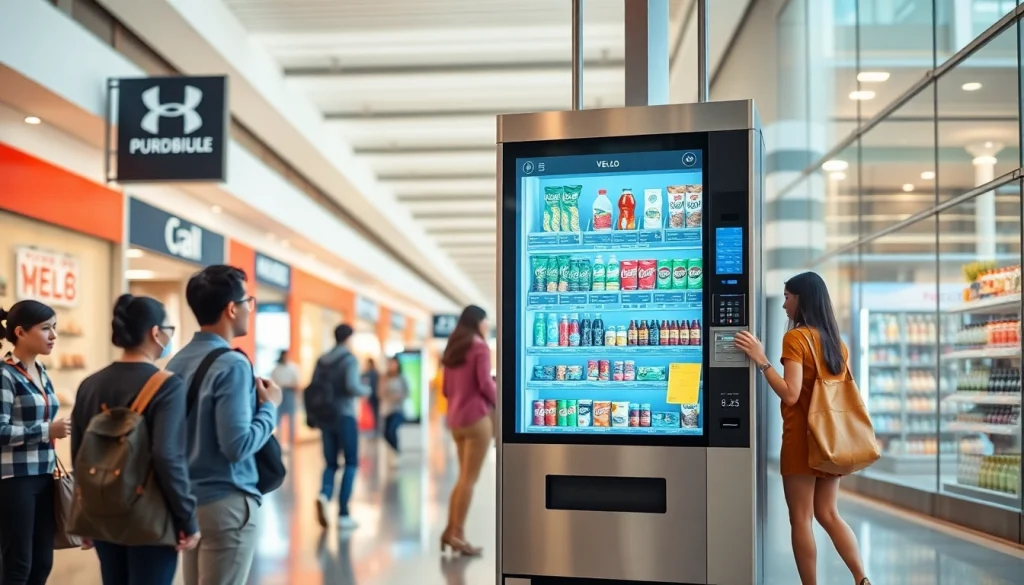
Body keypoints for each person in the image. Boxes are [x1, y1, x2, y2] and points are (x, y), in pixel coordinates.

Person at [734, 272, 870, 585]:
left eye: (787, 296)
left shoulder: (795, 339)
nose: (784, 304)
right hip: (831, 439)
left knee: (801, 518)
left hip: (802, 440)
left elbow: (791, 393)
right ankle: (862, 579)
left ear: (801, 299)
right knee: (829, 514)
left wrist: (761, 360)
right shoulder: (837, 343)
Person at [71, 294, 200, 585]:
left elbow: (80, 454)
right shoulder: (167, 386)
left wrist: (85, 514)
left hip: (102, 511)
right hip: (149, 516)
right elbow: (168, 456)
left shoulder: (89, 385)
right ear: (156, 332)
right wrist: (186, 518)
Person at [167, 265, 282, 585]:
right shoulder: (232, 364)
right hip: (227, 502)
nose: (250, 308)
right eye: (249, 301)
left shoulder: (176, 362)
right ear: (232, 309)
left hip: (188, 500)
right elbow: (237, 445)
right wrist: (270, 407)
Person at [0, 301, 67, 585]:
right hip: (15, 480)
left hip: (43, 475)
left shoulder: (41, 370)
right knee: (18, 565)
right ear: (21, 332)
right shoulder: (4, 374)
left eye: (55, 328)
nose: (53, 335)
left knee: (42, 562)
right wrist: (46, 429)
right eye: (46, 328)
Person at [439, 305, 495, 557]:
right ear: (478, 322)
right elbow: (485, 383)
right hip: (476, 420)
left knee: (462, 478)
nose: (486, 326)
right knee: (469, 479)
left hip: (456, 420)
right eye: (485, 322)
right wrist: (503, 403)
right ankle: (458, 534)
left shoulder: (453, 347)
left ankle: (450, 530)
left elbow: (446, 390)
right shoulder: (480, 346)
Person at [314, 324, 370, 531]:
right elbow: (352, 386)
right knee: (351, 462)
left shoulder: (322, 360)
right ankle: (343, 513)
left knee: (330, 463)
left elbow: (314, 387)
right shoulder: (349, 359)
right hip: (345, 415)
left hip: (325, 417)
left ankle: (324, 494)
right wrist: (367, 389)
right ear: (348, 338)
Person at [379, 356, 409, 462]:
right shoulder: (384, 378)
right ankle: (394, 451)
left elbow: (407, 393)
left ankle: (396, 451)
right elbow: (380, 394)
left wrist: (398, 396)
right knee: (385, 433)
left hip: (398, 409)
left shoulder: (402, 378)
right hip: (387, 410)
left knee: (392, 430)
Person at [270, 350, 300, 449]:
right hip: (279, 393)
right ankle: (278, 441)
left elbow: (297, 383)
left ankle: (291, 442)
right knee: (278, 419)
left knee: (291, 419)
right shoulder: (276, 369)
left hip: (289, 394)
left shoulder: (293, 368)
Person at [363, 357, 380, 433]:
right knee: (373, 411)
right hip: (372, 395)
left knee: (375, 411)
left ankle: (376, 427)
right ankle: (374, 427)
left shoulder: (374, 373)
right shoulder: (371, 373)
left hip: (375, 395)